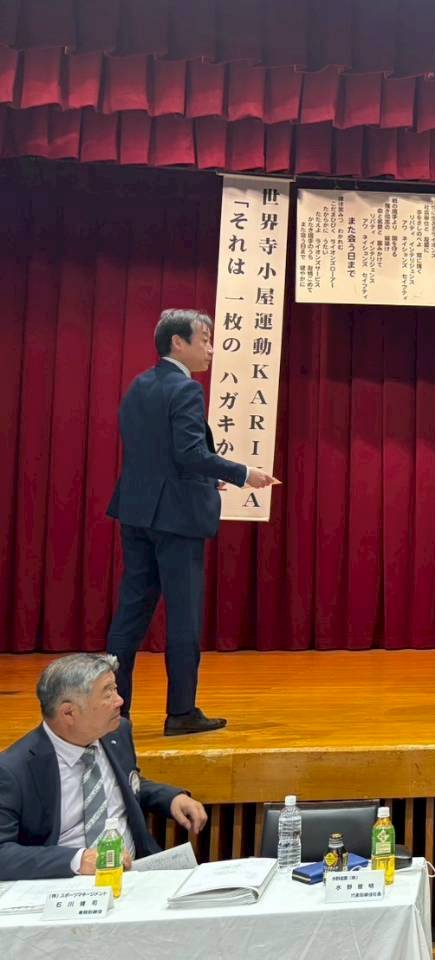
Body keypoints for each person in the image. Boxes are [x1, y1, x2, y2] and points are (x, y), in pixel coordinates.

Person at [106, 309, 277, 736]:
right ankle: (181, 712)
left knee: (129, 616)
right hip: (176, 519)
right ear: (177, 342)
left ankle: (112, 712)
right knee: (183, 616)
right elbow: (189, 453)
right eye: (205, 340)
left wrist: (200, 479)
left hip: (136, 511)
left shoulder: (139, 385)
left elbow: (155, 453)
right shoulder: (185, 389)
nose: (211, 349)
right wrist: (242, 473)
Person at [0, 653, 208, 881]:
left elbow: (125, 783)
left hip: (135, 875)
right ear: (68, 712)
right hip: (66, 884)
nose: (119, 701)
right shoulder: (13, 770)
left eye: (115, 689)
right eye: (107, 694)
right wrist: (77, 860)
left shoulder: (116, 732)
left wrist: (170, 798)